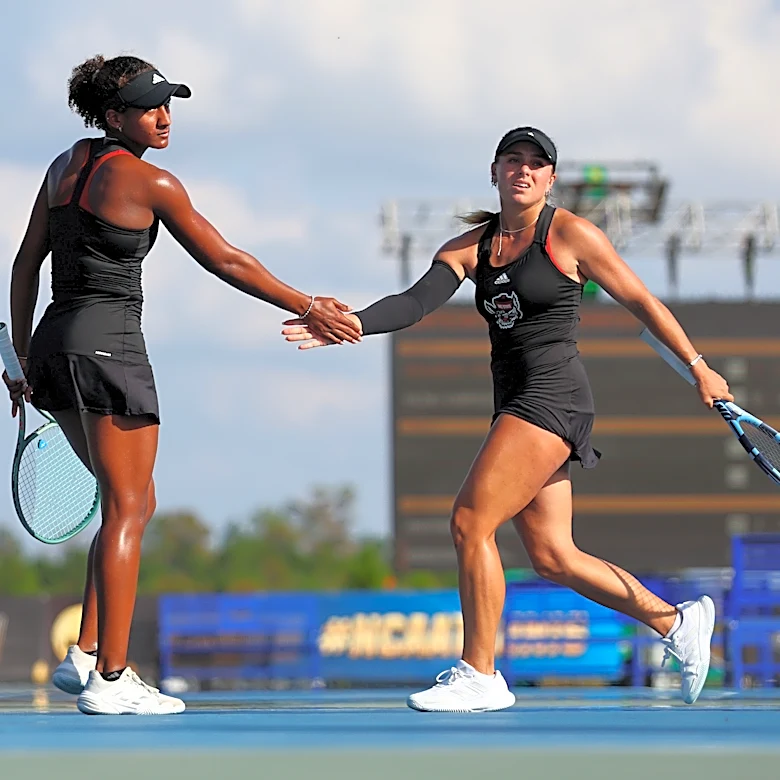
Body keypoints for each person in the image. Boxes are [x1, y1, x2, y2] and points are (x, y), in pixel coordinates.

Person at [282, 126, 732, 712]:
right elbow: (414, 303)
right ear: (493, 173)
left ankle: (481, 672)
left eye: (536, 164)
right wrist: (353, 323)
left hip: (553, 398)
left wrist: (700, 367)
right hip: (516, 399)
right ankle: (675, 621)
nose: (523, 171)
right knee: (553, 556)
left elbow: (644, 302)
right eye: (512, 160)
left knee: (470, 521)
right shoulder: (467, 248)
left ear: (549, 179)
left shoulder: (571, 235)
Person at [4, 54, 361, 716]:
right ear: (114, 116)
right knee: (129, 508)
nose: (165, 116)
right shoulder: (152, 182)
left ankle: (83, 653)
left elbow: (27, 263)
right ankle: (112, 678)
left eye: (168, 103)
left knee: (129, 502)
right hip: (112, 353)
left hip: (54, 350)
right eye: (149, 106)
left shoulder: (62, 166)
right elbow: (226, 259)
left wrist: (19, 354)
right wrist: (308, 303)